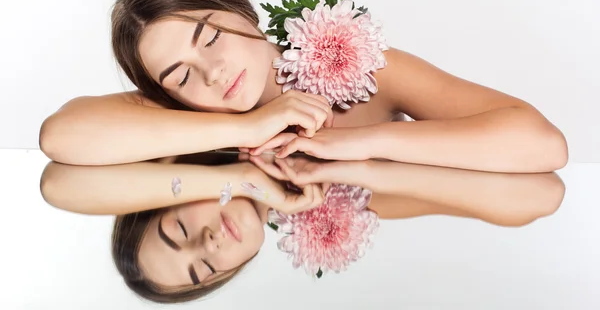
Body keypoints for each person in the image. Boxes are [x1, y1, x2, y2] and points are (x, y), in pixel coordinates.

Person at [38, 0, 568, 173]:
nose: (212, 75)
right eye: (179, 75)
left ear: (241, 8)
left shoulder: (368, 71)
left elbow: (542, 144)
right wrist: (246, 127)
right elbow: (63, 135)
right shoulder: (183, 116)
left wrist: (359, 143)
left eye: (210, 37)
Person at [40, 151, 565, 304]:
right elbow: (543, 193)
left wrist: (243, 170)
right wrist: (355, 169)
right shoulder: (337, 206)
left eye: (178, 229)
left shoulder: (246, 110)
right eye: (203, 269)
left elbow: (59, 177)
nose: (210, 243)